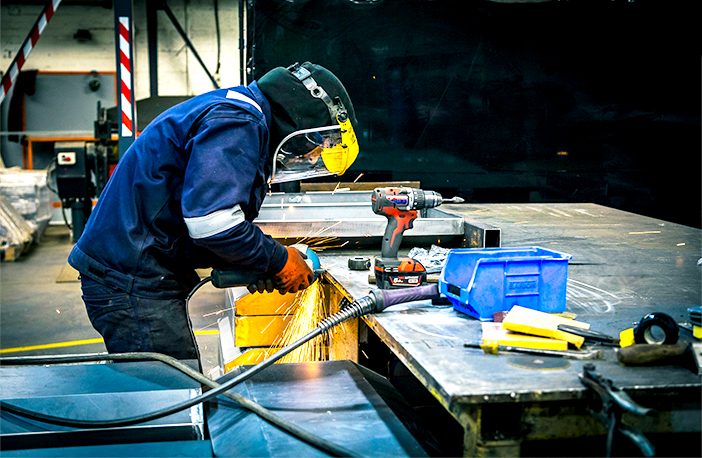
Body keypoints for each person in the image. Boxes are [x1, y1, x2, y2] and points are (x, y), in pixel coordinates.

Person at [68, 62, 359, 361]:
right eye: (315, 145)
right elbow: (213, 224)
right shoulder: (237, 122)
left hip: (135, 271)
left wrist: (260, 265)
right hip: (130, 280)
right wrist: (278, 258)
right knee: (174, 396)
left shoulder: (237, 111)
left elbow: (198, 221)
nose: (310, 159)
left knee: (174, 383)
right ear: (299, 120)